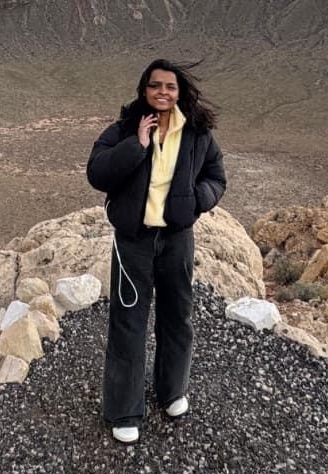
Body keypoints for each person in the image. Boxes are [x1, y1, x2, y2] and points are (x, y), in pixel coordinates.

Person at [86, 58, 227, 443]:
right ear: (143, 90)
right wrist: (138, 145)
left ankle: (172, 391)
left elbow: (217, 176)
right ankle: (124, 410)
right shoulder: (124, 130)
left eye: (169, 86)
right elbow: (97, 173)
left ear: (180, 92)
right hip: (134, 240)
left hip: (177, 238)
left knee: (177, 316)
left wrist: (196, 200)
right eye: (155, 86)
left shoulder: (197, 134)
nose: (162, 92)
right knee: (128, 323)